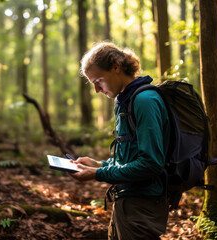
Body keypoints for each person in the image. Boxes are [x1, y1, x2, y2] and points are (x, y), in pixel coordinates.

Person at [70, 41, 170, 240]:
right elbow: (130, 158)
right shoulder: (124, 100)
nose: (97, 89)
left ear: (116, 68)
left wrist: (98, 174)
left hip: (142, 206)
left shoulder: (144, 101)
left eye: (99, 80)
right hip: (126, 201)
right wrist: (99, 164)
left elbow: (151, 164)